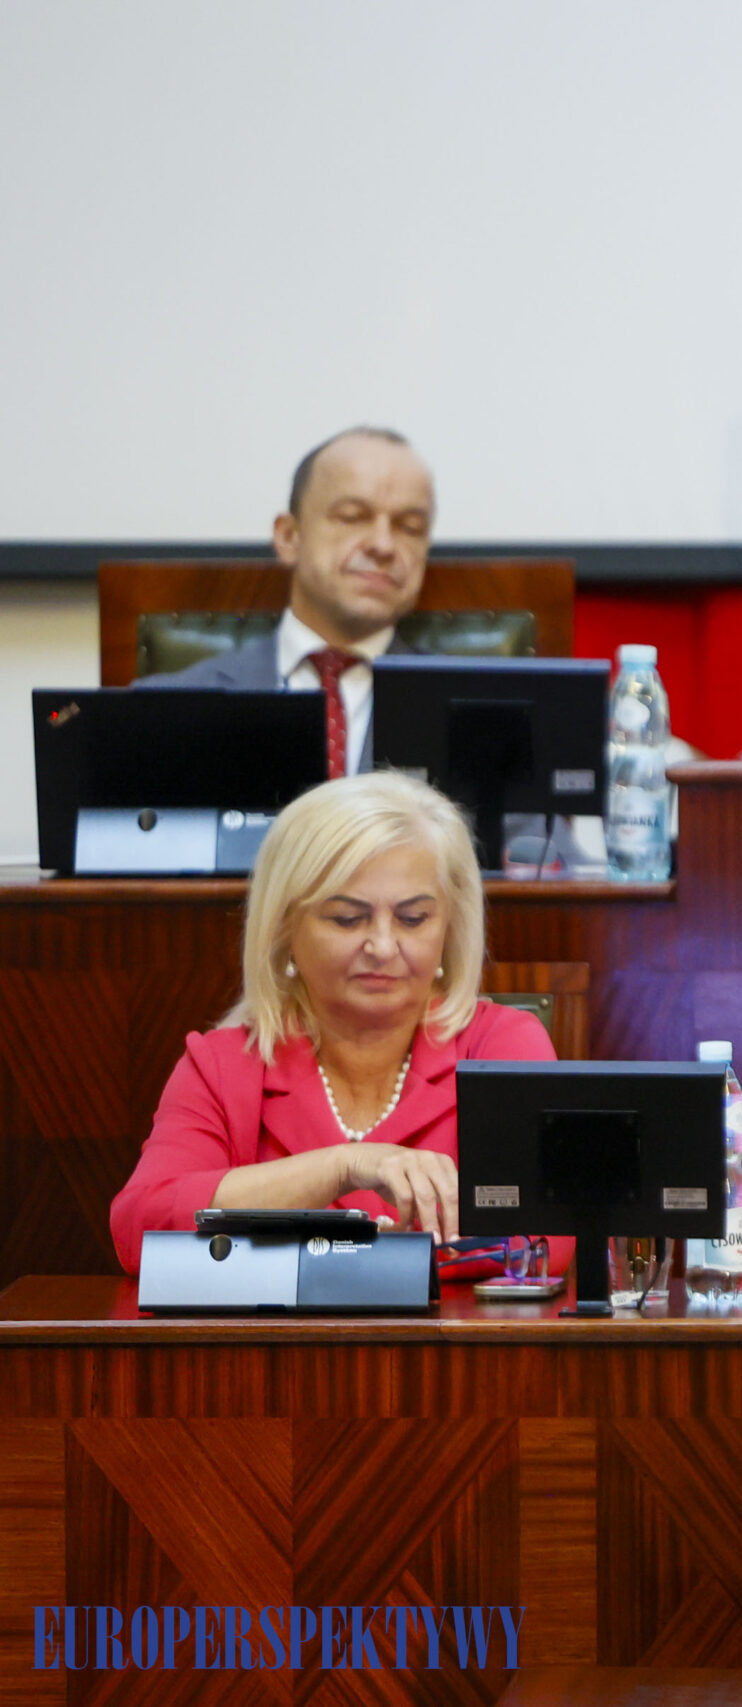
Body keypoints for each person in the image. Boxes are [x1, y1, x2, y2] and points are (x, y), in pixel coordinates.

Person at [108, 771, 557, 1274]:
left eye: (413, 919)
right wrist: (342, 1166)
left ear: (451, 926)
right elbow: (140, 1229)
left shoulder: (502, 1044)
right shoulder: (224, 1065)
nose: (383, 946)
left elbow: (551, 1233)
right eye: (347, 918)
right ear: (284, 927)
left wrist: (316, 1255)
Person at [145, 426, 434, 776]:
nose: (383, 545)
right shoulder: (169, 709)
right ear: (288, 536)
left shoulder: (465, 710)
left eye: (410, 527)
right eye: (353, 517)